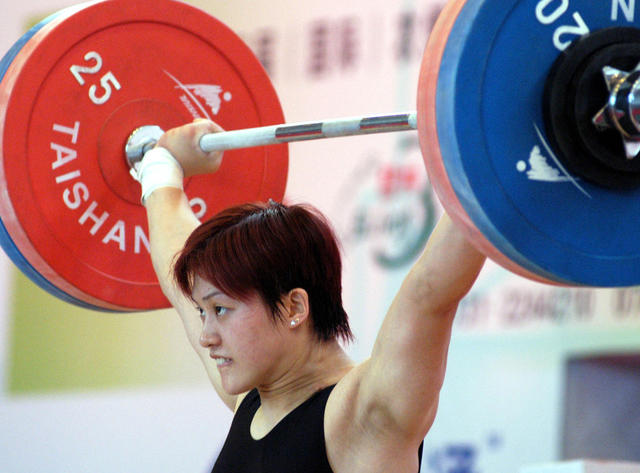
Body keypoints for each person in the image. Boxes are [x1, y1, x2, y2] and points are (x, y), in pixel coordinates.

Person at [131, 119, 486, 473]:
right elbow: (174, 269)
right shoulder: (250, 398)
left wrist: (493, 152)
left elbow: (428, 295)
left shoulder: (361, 416)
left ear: (294, 307)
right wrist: (161, 166)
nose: (206, 336)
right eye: (203, 311)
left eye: (220, 309)